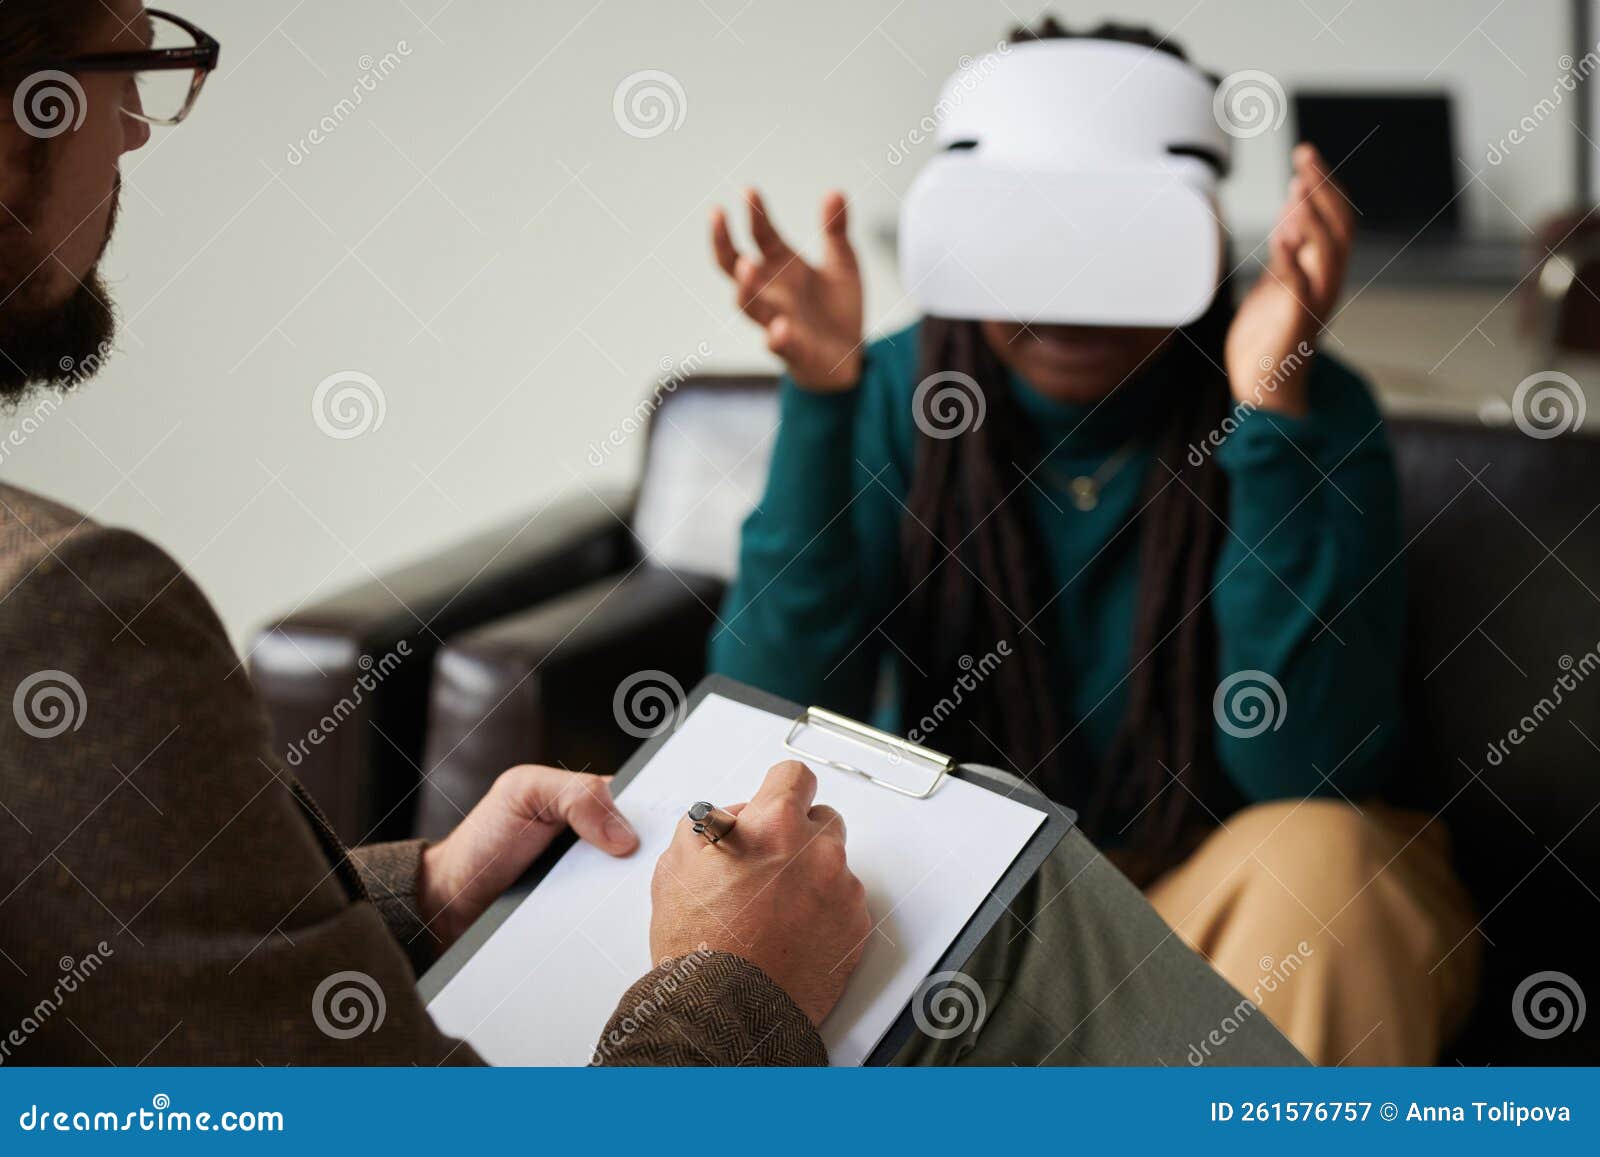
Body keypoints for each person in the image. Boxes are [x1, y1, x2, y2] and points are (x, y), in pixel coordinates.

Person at [0, 0, 1305, 1069]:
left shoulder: (1279, 399)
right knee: (1005, 907)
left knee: (1302, 864)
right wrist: (728, 976)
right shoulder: (60, 607)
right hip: (932, 907)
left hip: (1217, 864)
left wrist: (427, 889)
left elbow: (1302, 759)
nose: (133, 126)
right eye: (121, 64)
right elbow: (778, 696)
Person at [710, 18, 1479, 1064]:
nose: (1070, 291)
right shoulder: (893, 392)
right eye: (1031, 233)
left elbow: (1306, 762)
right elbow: (766, 718)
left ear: (1203, 233)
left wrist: (1272, 413)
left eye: (1123, 236)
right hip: (979, 911)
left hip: (1223, 903)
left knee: (1326, 863)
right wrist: (820, 403)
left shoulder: (1301, 403)